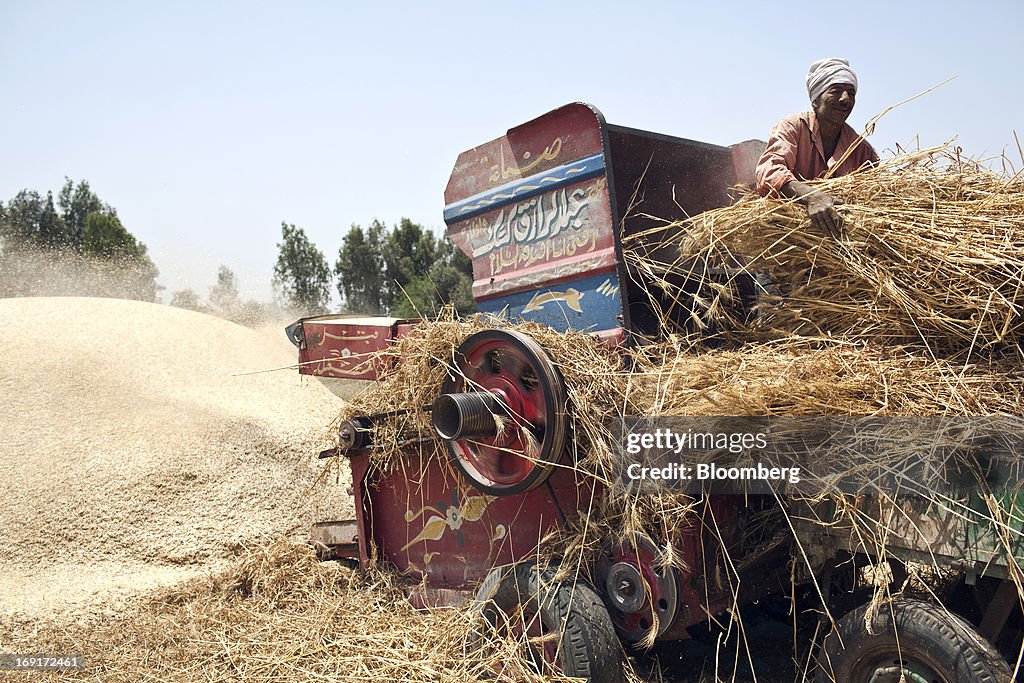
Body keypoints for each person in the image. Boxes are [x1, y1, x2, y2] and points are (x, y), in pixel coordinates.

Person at [755, 58, 879, 237]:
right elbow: (769, 171)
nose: (845, 99)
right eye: (836, 91)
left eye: (851, 93)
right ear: (815, 100)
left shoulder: (862, 151)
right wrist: (812, 197)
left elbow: (873, 198)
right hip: (788, 235)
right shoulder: (793, 127)